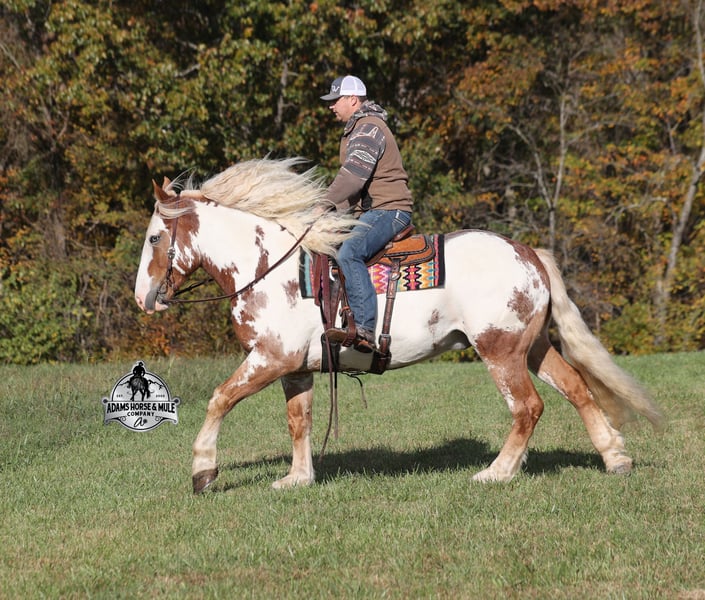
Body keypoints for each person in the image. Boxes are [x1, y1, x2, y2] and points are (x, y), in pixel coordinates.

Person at [319, 75, 413, 353]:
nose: (331, 106)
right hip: (376, 210)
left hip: (389, 210)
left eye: (335, 100)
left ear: (353, 100)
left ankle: (363, 327)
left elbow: (353, 177)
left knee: (350, 253)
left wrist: (322, 204)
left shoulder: (368, 128)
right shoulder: (360, 127)